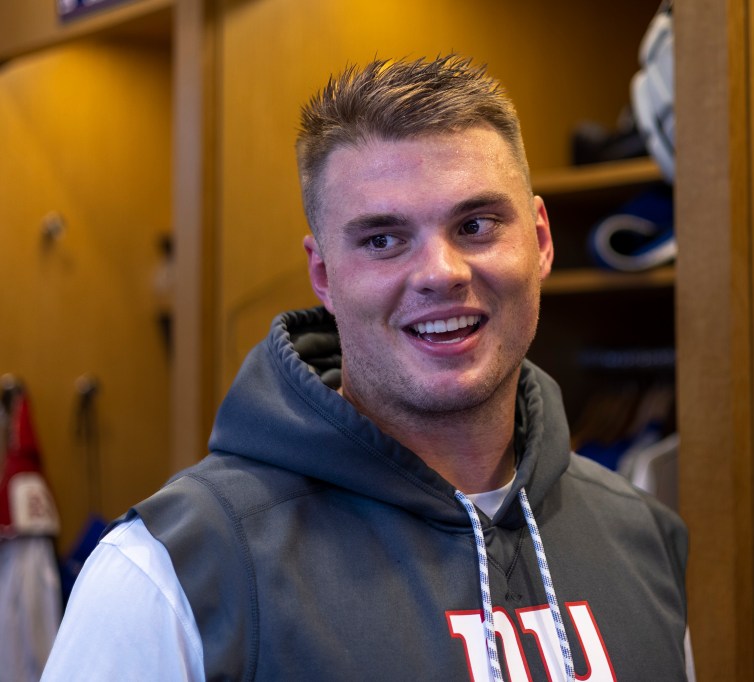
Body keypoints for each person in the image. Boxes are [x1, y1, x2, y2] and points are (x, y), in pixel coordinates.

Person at [42, 55, 690, 681]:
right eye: (382, 240)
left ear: (541, 240)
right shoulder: (171, 573)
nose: (441, 272)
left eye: (476, 224)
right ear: (322, 274)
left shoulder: (644, 540)